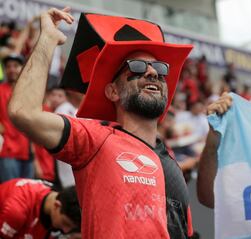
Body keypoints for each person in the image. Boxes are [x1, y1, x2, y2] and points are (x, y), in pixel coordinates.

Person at [8, 7, 193, 239]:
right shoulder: (94, 138)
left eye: (159, 69)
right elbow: (23, 112)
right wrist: (46, 39)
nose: (152, 73)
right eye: (136, 67)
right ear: (113, 91)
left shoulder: (171, 161)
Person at [0, 178, 81, 239]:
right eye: (65, 223)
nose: (66, 231)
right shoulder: (17, 211)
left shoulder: (55, 198)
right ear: (57, 205)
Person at [0, 53, 33, 183]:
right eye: (8, 66)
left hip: (28, 151)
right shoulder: (0, 90)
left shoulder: (28, 91)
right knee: (10, 192)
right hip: (8, 151)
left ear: (22, 68)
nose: (12, 69)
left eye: (15, 65)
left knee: (27, 195)